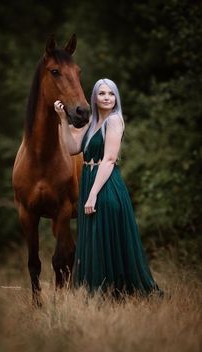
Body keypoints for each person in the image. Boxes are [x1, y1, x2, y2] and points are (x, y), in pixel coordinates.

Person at [54, 78, 163, 299]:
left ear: (116, 98)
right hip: (90, 182)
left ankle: (116, 293)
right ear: (94, 97)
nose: (107, 97)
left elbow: (110, 159)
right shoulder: (92, 122)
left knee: (107, 238)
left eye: (111, 94)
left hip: (105, 185)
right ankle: (98, 295)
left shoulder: (114, 121)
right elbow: (72, 147)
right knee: (94, 238)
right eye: (102, 93)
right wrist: (63, 119)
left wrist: (93, 195)